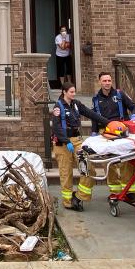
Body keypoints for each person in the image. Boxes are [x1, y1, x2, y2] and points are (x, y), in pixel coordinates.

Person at [51, 82, 109, 211]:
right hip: (62, 143)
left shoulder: (76, 104)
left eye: (74, 91)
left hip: (77, 140)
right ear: (64, 92)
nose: (73, 94)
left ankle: (79, 196)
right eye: (71, 92)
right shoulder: (58, 107)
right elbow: (56, 127)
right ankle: (68, 202)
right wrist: (66, 141)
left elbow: (91, 114)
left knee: (89, 169)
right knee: (66, 173)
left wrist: (109, 123)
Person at [92, 72, 135, 201]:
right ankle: (115, 192)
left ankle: (131, 191)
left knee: (127, 160)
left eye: (109, 80)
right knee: (109, 162)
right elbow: (94, 118)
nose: (107, 83)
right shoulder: (96, 99)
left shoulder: (120, 95)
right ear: (99, 82)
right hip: (106, 133)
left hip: (122, 130)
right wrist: (93, 132)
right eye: (104, 81)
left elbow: (134, 107)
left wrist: (134, 116)